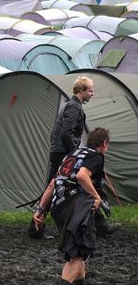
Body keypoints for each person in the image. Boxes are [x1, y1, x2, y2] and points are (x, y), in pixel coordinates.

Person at [32, 127, 109, 285]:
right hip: (77, 205)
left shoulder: (72, 155)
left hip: (58, 207)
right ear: (104, 143)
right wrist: (96, 197)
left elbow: (52, 183)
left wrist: (40, 210)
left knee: (78, 250)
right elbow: (82, 176)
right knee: (80, 252)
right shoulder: (95, 156)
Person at [32, 76, 110, 238]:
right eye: (90, 90)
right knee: (59, 185)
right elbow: (66, 133)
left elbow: (57, 132)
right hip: (63, 152)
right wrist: (75, 153)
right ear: (81, 90)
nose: (92, 94)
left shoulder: (71, 105)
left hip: (59, 151)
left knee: (54, 185)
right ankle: (35, 227)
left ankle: (99, 225)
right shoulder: (74, 107)